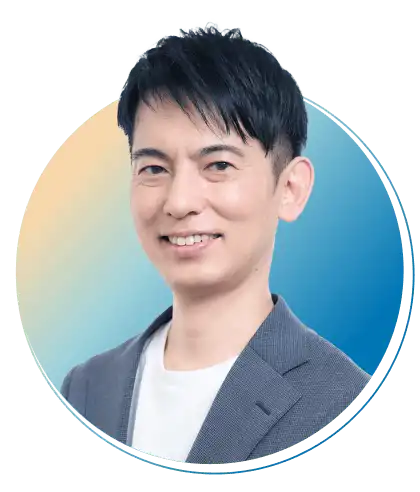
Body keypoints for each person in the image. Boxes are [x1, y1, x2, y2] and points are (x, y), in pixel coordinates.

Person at [61, 21, 371, 465]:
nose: (179, 202)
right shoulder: (86, 387)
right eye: (154, 169)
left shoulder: (347, 404)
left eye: (219, 165)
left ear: (290, 188)